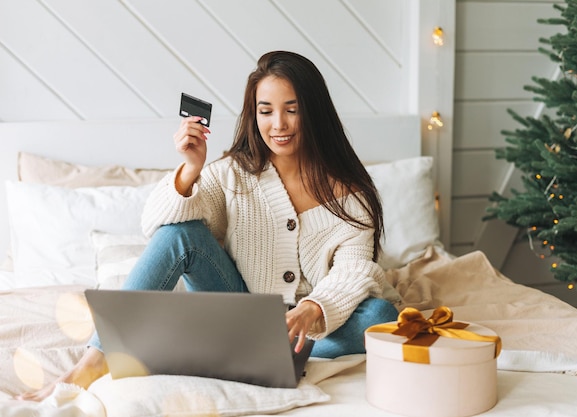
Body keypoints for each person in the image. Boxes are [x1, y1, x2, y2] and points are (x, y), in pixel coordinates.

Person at [19, 50, 398, 401]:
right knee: (182, 234)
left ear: (314, 112)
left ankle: (218, 355)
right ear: (254, 115)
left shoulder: (352, 195)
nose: (278, 124)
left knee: (380, 315)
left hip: (307, 332)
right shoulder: (233, 174)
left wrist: (314, 307)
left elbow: (353, 269)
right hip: (237, 316)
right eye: (265, 111)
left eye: (292, 110)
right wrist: (191, 169)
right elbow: (157, 227)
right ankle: (94, 362)